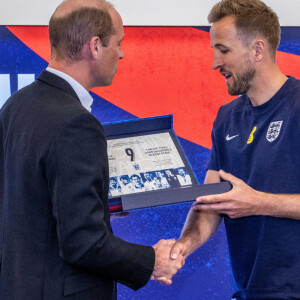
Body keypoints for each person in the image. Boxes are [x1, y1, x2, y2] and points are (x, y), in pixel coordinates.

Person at [0, 0, 184, 299]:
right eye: (119, 42)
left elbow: (30, 203)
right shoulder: (76, 124)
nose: (122, 53)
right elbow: (82, 243)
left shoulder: (16, 105)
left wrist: (100, 205)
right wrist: (152, 260)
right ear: (95, 46)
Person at [170, 0, 300, 299]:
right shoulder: (226, 117)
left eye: (224, 50)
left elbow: (251, 202)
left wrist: (258, 203)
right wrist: (183, 247)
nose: (215, 63)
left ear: (257, 49)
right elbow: (210, 202)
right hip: (248, 290)